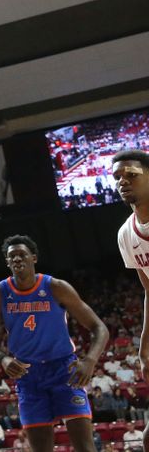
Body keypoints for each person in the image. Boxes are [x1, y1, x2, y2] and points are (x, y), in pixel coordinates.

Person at [0, 234, 108, 452]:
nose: (17, 259)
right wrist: (3, 358)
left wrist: (90, 360)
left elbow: (99, 328)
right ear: (7, 262)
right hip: (28, 375)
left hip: (64, 370)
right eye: (12, 256)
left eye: (22, 254)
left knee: (86, 447)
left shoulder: (56, 287)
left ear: (34, 258)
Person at [114, 149, 149, 451]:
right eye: (117, 177)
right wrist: (144, 343)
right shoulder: (126, 234)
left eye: (131, 175)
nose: (122, 181)